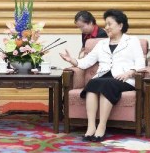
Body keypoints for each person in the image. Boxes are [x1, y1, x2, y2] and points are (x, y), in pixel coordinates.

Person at [60, 9, 145, 142]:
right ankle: (91, 126)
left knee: (105, 83)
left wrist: (129, 72)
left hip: (124, 78)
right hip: (104, 77)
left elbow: (141, 64)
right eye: (106, 24)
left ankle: (102, 126)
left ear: (120, 25)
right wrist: (72, 60)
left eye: (110, 24)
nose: (106, 27)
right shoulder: (102, 44)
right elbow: (86, 62)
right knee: (94, 83)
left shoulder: (132, 41)